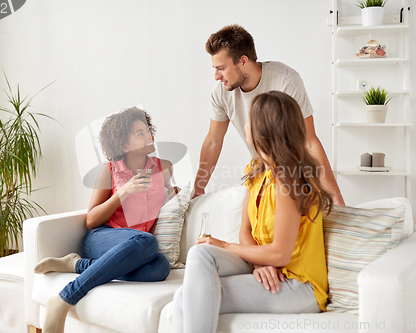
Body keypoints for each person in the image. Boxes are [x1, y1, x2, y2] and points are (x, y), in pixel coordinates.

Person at [173, 91, 334, 333]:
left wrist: (224, 246)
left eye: (249, 119)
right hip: (267, 268)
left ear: (263, 129)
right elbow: (245, 231)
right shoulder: (258, 170)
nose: (245, 124)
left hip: (298, 285)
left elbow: (280, 254)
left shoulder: (289, 180)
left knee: (187, 298)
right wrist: (259, 264)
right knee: (201, 253)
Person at [34, 107, 174, 333]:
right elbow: (91, 220)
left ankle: (76, 264)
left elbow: (168, 200)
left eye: (147, 130)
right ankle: (64, 299)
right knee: (147, 241)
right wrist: (123, 192)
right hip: (102, 237)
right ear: (124, 145)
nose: (149, 135)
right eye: (140, 133)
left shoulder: (163, 167)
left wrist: (176, 196)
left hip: (134, 247)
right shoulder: (108, 171)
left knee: (160, 267)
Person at [193, 24, 345, 205]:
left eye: (221, 68)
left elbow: (309, 141)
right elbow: (213, 141)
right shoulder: (221, 92)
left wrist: (336, 199)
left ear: (243, 61)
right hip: (261, 173)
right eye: (214, 68)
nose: (216, 76)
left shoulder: (285, 80)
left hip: (294, 176)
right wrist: (198, 188)